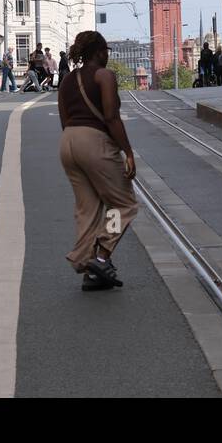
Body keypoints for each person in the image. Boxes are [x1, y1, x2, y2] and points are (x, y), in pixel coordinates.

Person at [57, 30, 138, 291]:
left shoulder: (67, 80)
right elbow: (112, 117)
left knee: (87, 209)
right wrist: (128, 151)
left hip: (68, 142)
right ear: (99, 52)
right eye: (106, 51)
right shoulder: (104, 76)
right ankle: (102, 256)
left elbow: (63, 118)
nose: (107, 56)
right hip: (94, 141)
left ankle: (89, 269)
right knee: (123, 204)